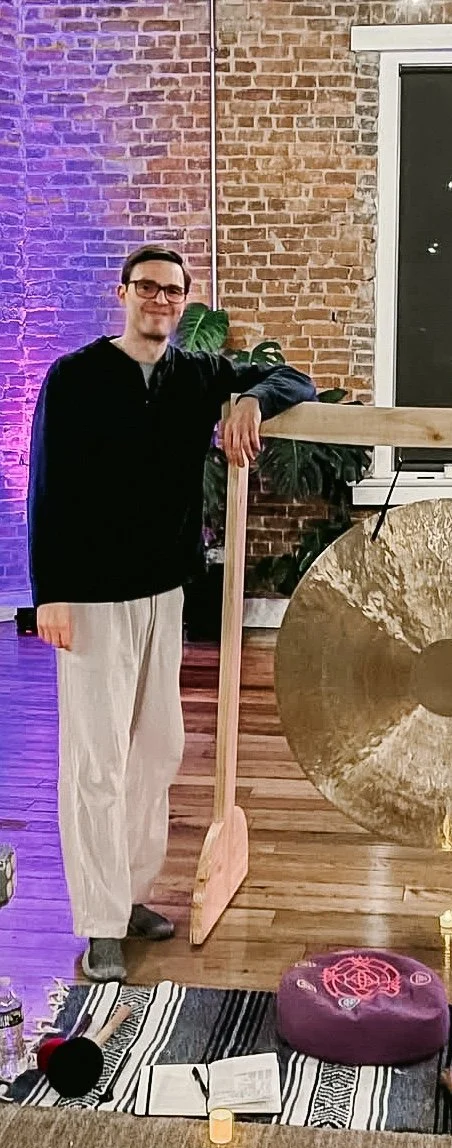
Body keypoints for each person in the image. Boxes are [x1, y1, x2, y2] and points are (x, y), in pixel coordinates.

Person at [27, 244, 317, 982]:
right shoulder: (75, 376)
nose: (160, 300)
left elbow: (295, 378)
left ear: (184, 302)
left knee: (156, 750)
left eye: (173, 291)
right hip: (90, 594)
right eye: (148, 287)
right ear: (123, 293)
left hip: (164, 591)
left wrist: (252, 400)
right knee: (96, 761)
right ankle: (99, 923)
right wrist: (48, 594)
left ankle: (128, 898)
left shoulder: (197, 375)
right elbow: (47, 487)